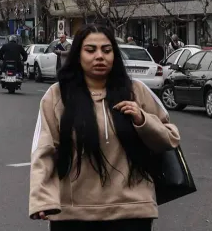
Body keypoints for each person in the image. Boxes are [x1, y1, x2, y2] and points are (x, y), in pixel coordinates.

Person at [29, 25, 181, 230]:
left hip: (132, 211)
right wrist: (42, 199)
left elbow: (170, 139)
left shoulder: (137, 91)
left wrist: (142, 119)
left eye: (106, 50)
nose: (99, 56)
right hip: (75, 214)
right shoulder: (57, 96)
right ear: (78, 55)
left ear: (114, 55)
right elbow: (43, 150)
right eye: (91, 50)